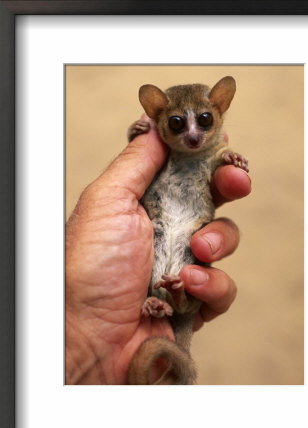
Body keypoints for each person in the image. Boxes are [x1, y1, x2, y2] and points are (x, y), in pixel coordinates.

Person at [65, 117, 251, 384]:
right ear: (158, 115)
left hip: (187, 231)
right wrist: (138, 136)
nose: (194, 135)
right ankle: (167, 296)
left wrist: (229, 157)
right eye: (177, 123)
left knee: (191, 259)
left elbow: (219, 153)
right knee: (168, 260)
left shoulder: (214, 151)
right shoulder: (163, 149)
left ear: (219, 113)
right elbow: (146, 161)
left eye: (204, 121)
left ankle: (179, 297)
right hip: (156, 237)